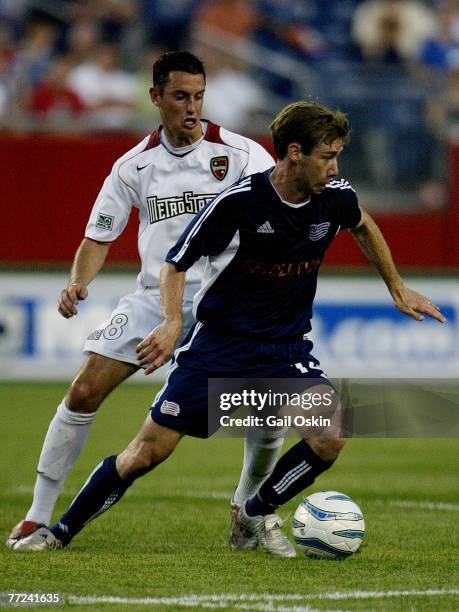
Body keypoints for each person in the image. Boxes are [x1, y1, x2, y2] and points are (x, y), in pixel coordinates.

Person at [10, 101, 445, 557]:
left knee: (330, 435)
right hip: (219, 347)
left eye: (338, 156)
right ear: (294, 152)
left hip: (284, 348)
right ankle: (57, 532)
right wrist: (173, 321)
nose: (334, 167)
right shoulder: (241, 201)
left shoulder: (335, 195)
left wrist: (397, 286)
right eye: (326, 156)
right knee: (145, 453)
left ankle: (252, 513)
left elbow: (362, 224)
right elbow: (176, 263)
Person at [7, 50, 278, 552]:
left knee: (265, 405)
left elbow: (279, 211)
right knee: (84, 390)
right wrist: (77, 282)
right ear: (155, 97)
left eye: (198, 96)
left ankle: (248, 506)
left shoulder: (243, 155)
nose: (192, 108)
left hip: (228, 300)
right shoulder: (134, 165)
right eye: (180, 97)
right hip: (156, 297)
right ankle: (36, 515)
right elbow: (98, 236)